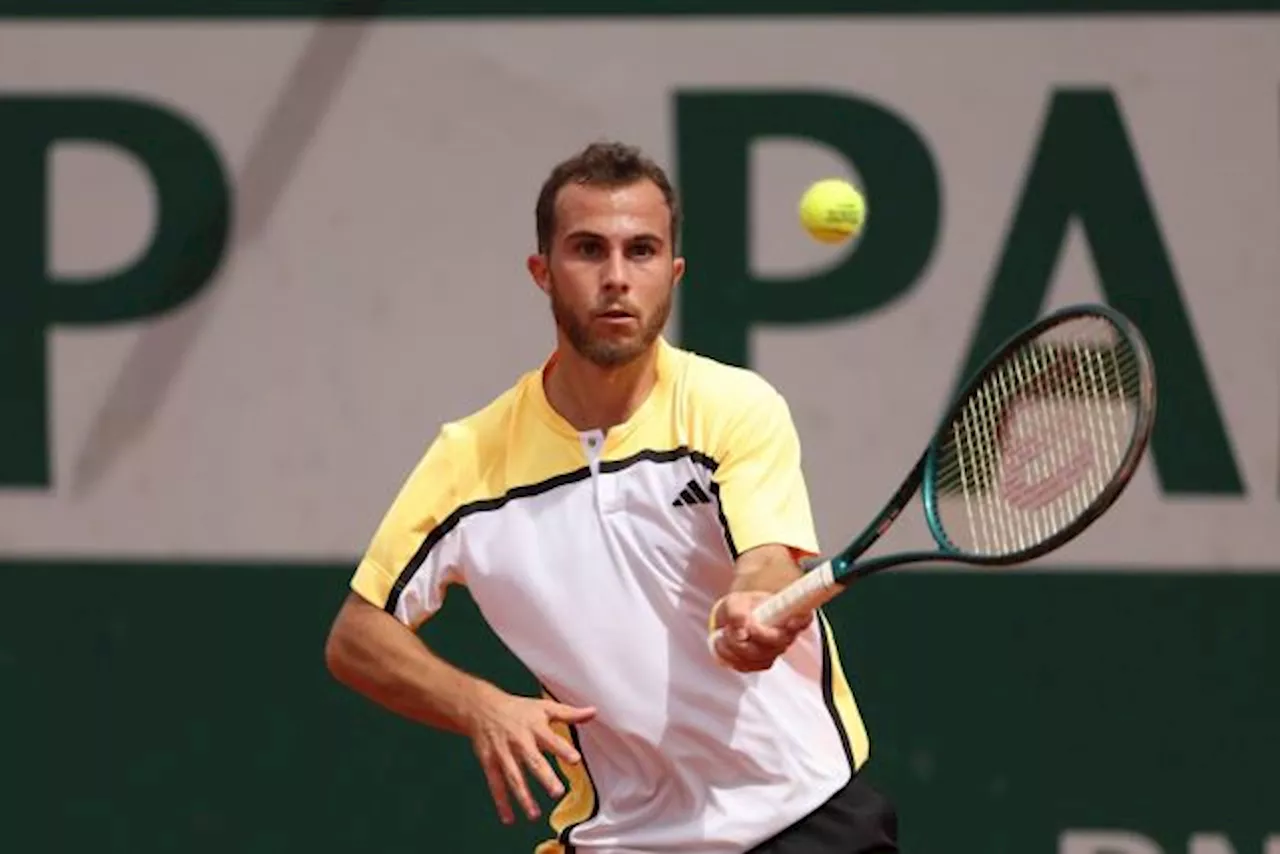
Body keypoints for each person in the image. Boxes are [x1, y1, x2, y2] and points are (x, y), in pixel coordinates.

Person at [324, 140, 900, 853]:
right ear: (543, 271)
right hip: (621, 839)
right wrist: (479, 705)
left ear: (674, 272)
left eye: (642, 251)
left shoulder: (732, 407)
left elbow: (767, 561)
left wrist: (754, 605)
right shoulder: (470, 459)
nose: (617, 277)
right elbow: (356, 636)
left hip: (799, 820)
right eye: (589, 250)